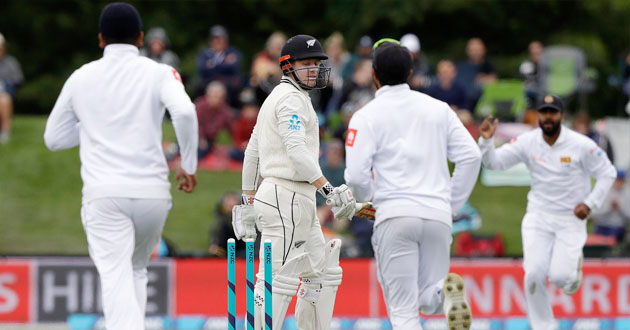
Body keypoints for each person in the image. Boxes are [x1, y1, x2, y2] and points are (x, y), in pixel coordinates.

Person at [43, 3, 198, 330]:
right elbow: (184, 112)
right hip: (152, 195)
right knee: (136, 271)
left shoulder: (81, 76)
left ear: (100, 39)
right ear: (140, 38)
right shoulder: (158, 72)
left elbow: (54, 138)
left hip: (105, 195)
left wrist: (93, 127)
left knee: (115, 277)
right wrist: (189, 164)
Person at [344, 40, 481, 330]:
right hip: (437, 214)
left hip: (394, 214)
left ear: (374, 74)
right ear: (410, 73)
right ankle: (444, 293)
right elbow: (471, 156)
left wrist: (367, 203)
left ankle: (441, 293)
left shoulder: (366, 115)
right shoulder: (438, 109)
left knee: (404, 312)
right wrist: (452, 204)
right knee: (428, 299)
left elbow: (356, 175)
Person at [231, 34, 356, 330]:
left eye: (317, 63)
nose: (314, 69)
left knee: (320, 272)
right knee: (278, 280)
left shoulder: (279, 97)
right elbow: (296, 150)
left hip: (291, 198)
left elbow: (252, 153)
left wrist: (248, 200)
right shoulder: (290, 99)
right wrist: (327, 189)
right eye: (307, 64)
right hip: (286, 196)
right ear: (287, 65)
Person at [478, 95, 617, 330]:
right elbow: (494, 163)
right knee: (533, 273)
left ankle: (572, 271)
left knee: (561, 278)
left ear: (562, 116)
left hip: (570, 218)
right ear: (538, 115)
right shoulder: (528, 141)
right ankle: (543, 326)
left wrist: (590, 203)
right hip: (538, 215)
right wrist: (485, 142)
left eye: (553, 113)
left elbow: (608, 172)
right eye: (544, 112)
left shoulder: (581, 144)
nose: (548, 117)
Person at [196, 25, 242, 104]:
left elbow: (234, 67)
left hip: (228, 84)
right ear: (210, 41)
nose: (218, 41)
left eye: (220, 38)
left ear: (226, 40)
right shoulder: (204, 53)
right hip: (208, 83)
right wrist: (224, 64)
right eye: (215, 39)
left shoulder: (234, 52)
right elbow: (202, 69)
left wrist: (212, 65)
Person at [195, 81, 234, 160]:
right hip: (194, 135)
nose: (216, 100)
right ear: (207, 95)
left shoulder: (225, 111)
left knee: (202, 151)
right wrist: (201, 138)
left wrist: (237, 142)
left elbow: (232, 127)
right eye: (213, 96)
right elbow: (196, 124)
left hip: (209, 140)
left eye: (219, 97)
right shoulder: (199, 106)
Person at [456, 37, 497, 112]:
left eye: (478, 50)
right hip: (463, 106)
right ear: (468, 51)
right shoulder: (460, 67)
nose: (476, 52)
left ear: (484, 50)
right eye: (473, 50)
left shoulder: (489, 66)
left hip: (483, 106)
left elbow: (495, 84)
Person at [590, 170, 630, 243]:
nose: (619, 183)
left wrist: (619, 207)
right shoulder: (603, 192)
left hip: (618, 227)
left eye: (621, 180)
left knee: (614, 234)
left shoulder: (627, 193)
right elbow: (593, 214)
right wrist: (609, 207)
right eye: (617, 180)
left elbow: (628, 215)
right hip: (601, 226)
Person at [0, 32, 24, 144]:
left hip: (4, 92)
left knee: (5, 100)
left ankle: (5, 132)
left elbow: (18, 79)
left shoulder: (11, 62)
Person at [519, 41, 544, 109]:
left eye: (537, 49)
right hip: (531, 90)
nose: (535, 51)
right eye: (533, 49)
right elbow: (530, 81)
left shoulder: (548, 65)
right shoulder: (526, 65)